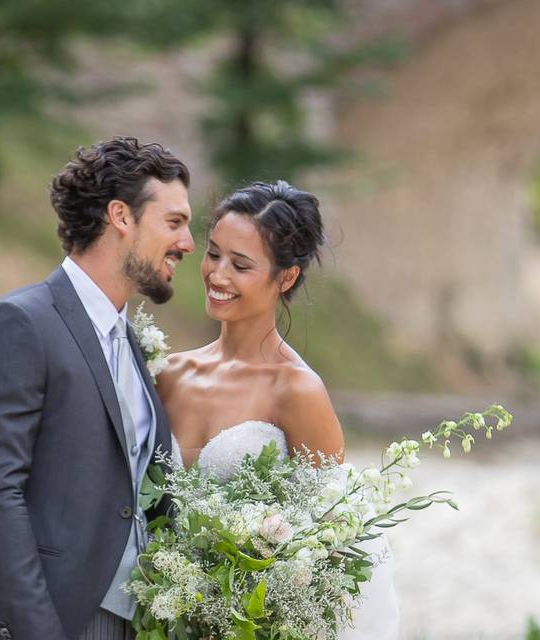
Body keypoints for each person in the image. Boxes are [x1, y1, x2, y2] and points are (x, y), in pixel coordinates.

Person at [0, 136, 195, 640]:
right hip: (49, 621)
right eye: (174, 222)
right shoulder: (17, 324)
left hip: (130, 621)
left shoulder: (131, 342)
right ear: (121, 216)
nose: (187, 243)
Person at [157, 180, 400, 639]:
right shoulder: (168, 374)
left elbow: (332, 545)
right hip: (152, 614)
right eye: (214, 254)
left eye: (241, 264)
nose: (217, 275)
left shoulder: (298, 391)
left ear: (285, 277)